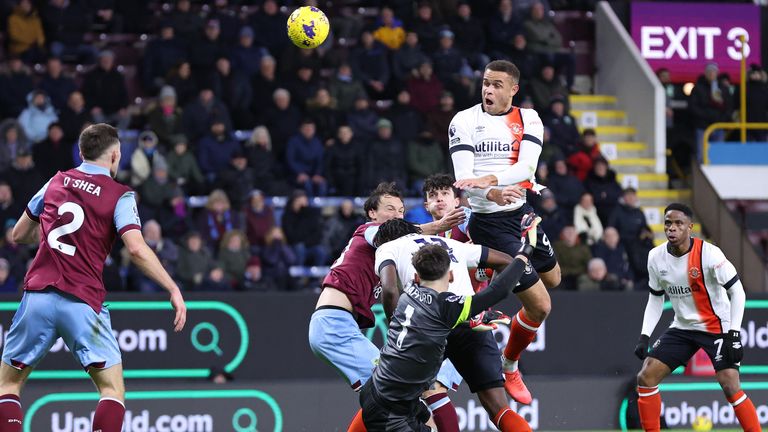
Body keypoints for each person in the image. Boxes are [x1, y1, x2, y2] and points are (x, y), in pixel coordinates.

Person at [0, 124, 186, 432]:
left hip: (37, 298)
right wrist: (172, 287)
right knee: (111, 390)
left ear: (82, 152)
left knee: (8, 385)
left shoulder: (56, 181)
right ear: (115, 155)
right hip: (82, 301)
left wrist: (49, 232)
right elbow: (137, 250)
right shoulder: (120, 195)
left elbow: (19, 234)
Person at [308, 182, 465, 432]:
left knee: (384, 397)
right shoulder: (368, 231)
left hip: (338, 326)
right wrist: (433, 227)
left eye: (401, 211)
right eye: (389, 208)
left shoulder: (389, 257)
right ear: (372, 212)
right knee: (393, 388)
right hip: (333, 324)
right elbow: (390, 235)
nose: (397, 215)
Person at [362, 217, 539, 432]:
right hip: (394, 410)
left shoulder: (407, 297)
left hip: (383, 392)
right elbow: (498, 288)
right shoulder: (447, 304)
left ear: (416, 277)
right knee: (498, 407)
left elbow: (390, 291)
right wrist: (525, 251)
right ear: (451, 274)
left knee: (427, 398)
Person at [450, 59, 559, 404]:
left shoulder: (529, 118)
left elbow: (528, 167)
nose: (488, 90)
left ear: (514, 89)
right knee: (541, 306)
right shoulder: (464, 121)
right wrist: (490, 191)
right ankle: (510, 364)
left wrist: (493, 180)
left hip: (523, 215)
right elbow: (465, 179)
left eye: (497, 85)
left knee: (554, 278)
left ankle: (485, 270)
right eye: (485, 83)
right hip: (489, 222)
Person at [633, 203, 761, 432]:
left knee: (730, 384)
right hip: (682, 327)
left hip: (716, 326)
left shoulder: (710, 254)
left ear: (690, 227)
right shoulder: (655, 257)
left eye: (678, 223)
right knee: (646, 377)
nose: (672, 228)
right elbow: (655, 298)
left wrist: (733, 334)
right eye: (668, 223)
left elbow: (737, 292)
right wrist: (644, 336)